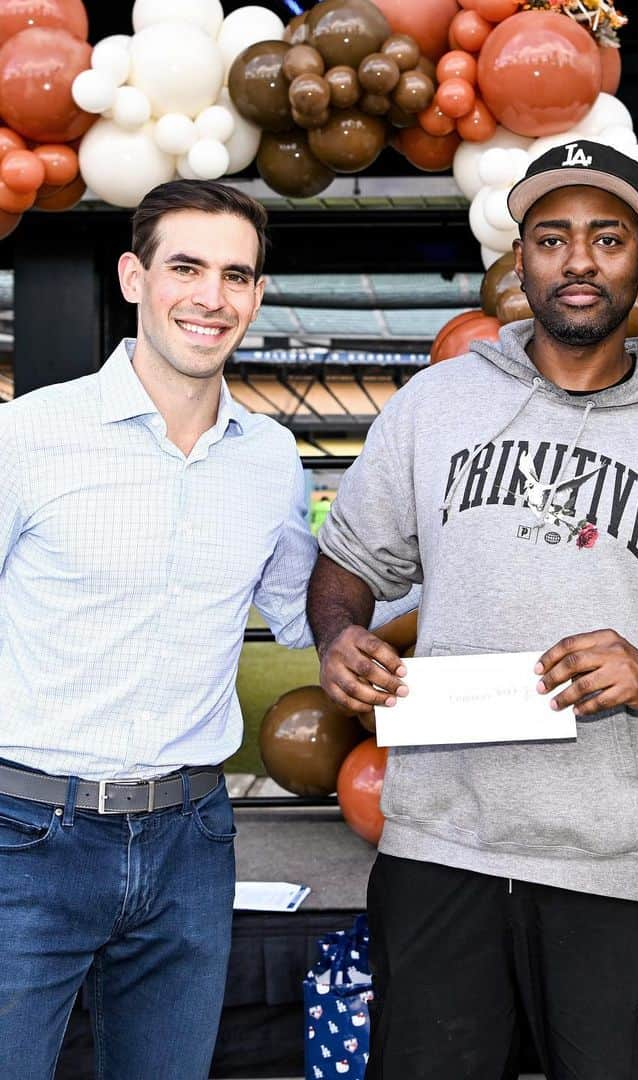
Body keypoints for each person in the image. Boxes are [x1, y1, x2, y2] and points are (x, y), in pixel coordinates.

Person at [308, 141, 638, 1079]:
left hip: (613, 864)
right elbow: (347, 561)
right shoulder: (435, 406)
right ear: (520, 261)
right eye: (551, 238)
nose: (578, 260)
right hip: (440, 847)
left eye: (606, 236)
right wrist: (339, 634)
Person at [0, 180, 318, 1079]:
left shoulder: (270, 458)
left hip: (190, 842)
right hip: (25, 835)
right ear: (134, 276)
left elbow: (306, 617)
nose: (210, 297)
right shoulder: (28, 436)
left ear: (256, 297)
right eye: (186, 267)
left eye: (236, 276)